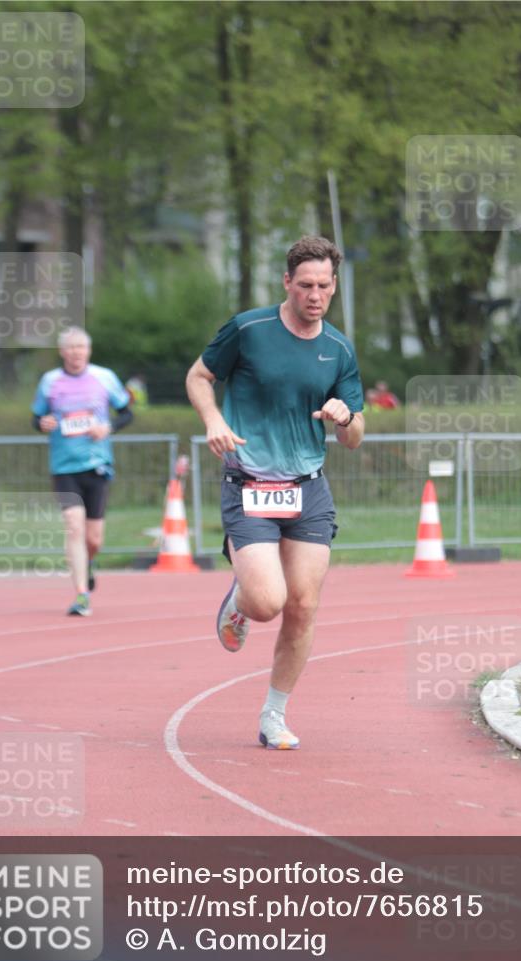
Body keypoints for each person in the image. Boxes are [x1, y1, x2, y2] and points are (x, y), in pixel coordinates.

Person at [186, 235, 365, 749]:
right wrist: (214, 419)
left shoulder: (339, 349)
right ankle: (241, 600)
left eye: (324, 286)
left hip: (307, 488)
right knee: (268, 603)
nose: (315, 295)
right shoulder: (249, 330)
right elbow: (199, 376)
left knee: (303, 606)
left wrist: (346, 417)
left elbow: (354, 437)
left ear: (334, 286)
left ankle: (273, 715)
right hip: (249, 483)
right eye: (305, 285)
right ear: (287, 282)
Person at [31, 326, 133, 616]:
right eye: (71, 347)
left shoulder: (104, 377)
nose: (76, 352)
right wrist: (43, 423)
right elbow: (37, 418)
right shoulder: (50, 381)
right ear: (62, 351)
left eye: (81, 347)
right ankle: (81, 595)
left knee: (93, 538)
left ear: (88, 351)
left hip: (96, 464)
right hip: (64, 467)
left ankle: (88, 562)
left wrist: (107, 427)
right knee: (73, 526)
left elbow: (127, 413)